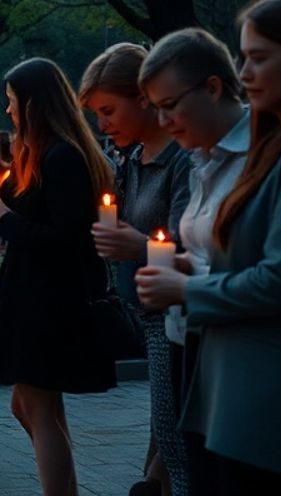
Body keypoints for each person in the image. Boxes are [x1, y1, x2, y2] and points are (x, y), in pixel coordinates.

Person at [137, 0, 281, 495]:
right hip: (237, 390)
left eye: (258, 58)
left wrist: (187, 289)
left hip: (276, 399)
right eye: (242, 57)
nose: (245, 72)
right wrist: (194, 271)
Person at [0, 58, 117, 496]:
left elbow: (66, 237)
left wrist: (3, 218)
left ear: (34, 103)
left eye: (12, 100)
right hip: (32, 292)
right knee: (35, 406)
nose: (8, 109)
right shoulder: (45, 154)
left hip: (48, 299)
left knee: (35, 406)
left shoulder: (63, 157)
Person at [134, 27, 249, 496]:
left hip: (244, 358)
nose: (163, 120)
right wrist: (182, 269)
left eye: (170, 105)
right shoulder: (204, 156)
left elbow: (279, 276)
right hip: (191, 339)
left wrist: (186, 285)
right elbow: (206, 252)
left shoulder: (265, 155)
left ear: (213, 87)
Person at [80, 43, 192, 496]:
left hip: (178, 320)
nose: (102, 125)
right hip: (148, 314)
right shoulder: (133, 159)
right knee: (164, 439)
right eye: (97, 115)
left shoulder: (182, 160)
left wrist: (137, 245)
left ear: (144, 98)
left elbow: (193, 248)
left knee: (178, 447)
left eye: (108, 111)